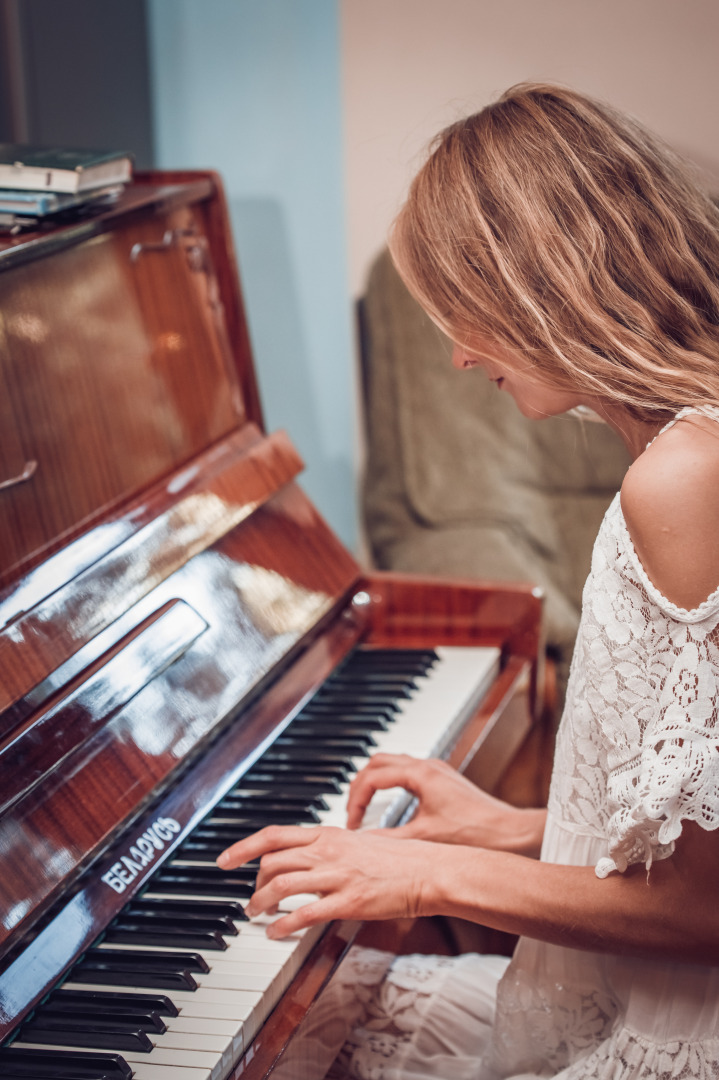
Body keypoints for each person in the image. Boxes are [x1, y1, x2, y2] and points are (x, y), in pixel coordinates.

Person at [217, 84, 719, 1079]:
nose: (453, 354)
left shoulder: (683, 477)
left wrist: (428, 874)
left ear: (542, 283)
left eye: (462, 312)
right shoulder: (678, 449)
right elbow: (690, 840)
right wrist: (515, 831)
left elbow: (702, 910)